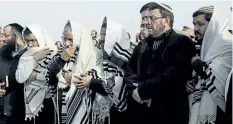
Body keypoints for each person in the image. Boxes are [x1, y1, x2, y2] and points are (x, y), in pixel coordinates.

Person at [125, 2, 195, 124]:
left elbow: (175, 74)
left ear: (166, 20)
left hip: (170, 113)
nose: (146, 22)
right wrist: (136, 92)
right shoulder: (142, 44)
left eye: (151, 18)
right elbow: (130, 72)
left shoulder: (182, 42)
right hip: (142, 111)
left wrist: (144, 90)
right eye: (144, 18)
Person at [187, 6, 232, 124]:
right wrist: (189, 83)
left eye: (200, 24)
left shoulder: (228, 45)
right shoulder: (203, 47)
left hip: (220, 111)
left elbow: (225, 83)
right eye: (194, 24)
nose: (195, 28)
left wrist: (201, 67)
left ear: (214, 24)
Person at [15, 25, 57, 124]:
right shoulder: (26, 56)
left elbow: (55, 78)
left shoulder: (54, 55)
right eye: (27, 41)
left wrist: (36, 76)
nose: (30, 44)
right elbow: (20, 77)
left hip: (50, 101)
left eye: (33, 40)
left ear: (41, 38)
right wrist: (34, 59)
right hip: (29, 102)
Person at [0, 23, 27, 124]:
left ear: (18, 37)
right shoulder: (1, 53)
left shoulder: (28, 55)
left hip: (20, 110)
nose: (3, 39)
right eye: (2, 35)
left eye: (6, 35)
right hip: (2, 112)